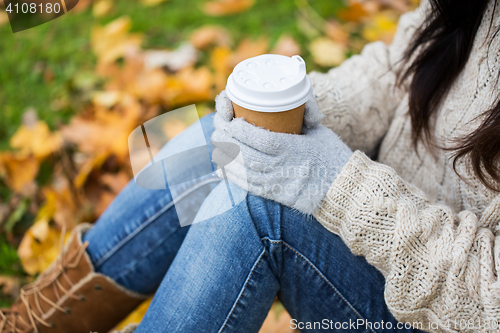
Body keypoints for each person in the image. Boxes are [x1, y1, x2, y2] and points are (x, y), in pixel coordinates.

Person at [2, 0, 500, 331]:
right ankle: (33, 324)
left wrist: (338, 184)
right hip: (380, 259)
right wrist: (290, 115)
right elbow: (399, 70)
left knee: (261, 213)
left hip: (437, 316)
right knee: (224, 144)